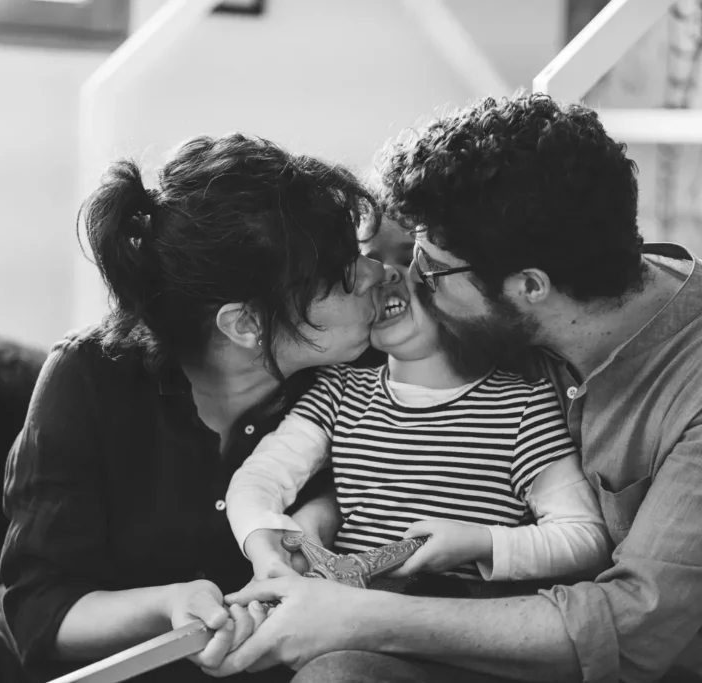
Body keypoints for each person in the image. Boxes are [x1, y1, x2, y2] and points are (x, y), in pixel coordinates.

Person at [209, 95, 702, 683]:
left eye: (431, 265)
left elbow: (633, 630)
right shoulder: (505, 310)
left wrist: (359, 618)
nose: (409, 280)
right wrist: (324, 516)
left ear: (531, 286)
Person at [0, 132, 387, 683]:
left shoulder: (370, 373)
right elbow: (40, 615)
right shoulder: (90, 375)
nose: (377, 274)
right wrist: (168, 604)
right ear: (245, 324)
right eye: (340, 277)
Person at [226, 219, 611, 593]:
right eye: (369, 257)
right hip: (344, 616)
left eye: (415, 258)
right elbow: (259, 480)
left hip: (454, 627)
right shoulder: (339, 393)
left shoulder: (524, 405)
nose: (384, 274)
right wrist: (265, 547)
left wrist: (482, 543)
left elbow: (585, 537)